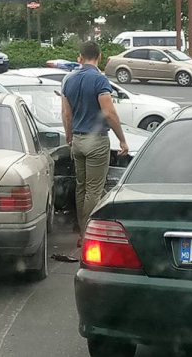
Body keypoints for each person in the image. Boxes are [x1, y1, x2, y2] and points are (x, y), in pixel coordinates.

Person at [61, 41, 129, 247]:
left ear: (80, 56)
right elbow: (108, 112)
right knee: (94, 190)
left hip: (78, 141)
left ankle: (82, 232)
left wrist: (69, 136)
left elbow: (66, 114)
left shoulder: (68, 80)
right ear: (99, 56)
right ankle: (90, 234)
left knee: (80, 188)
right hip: (96, 140)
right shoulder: (100, 81)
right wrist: (122, 139)